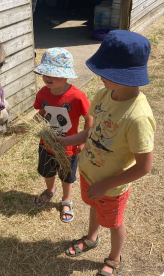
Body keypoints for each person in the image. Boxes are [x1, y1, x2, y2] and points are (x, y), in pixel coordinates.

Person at [60, 30, 156, 276]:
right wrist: (68, 140)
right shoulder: (104, 94)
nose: (99, 76)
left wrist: (107, 184)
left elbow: (144, 166)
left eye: (105, 73)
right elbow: (91, 131)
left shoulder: (138, 117)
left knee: (114, 223)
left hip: (111, 187)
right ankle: (92, 238)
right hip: (89, 173)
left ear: (125, 77)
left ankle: (114, 257)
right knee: (93, 206)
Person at [33, 47, 92, 223]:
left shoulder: (76, 97)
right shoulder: (43, 93)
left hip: (68, 148)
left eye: (53, 74)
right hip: (46, 144)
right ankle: (50, 191)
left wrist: (82, 140)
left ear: (66, 75)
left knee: (67, 175)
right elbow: (42, 113)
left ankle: (66, 200)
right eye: (45, 73)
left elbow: (89, 117)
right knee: (47, 171)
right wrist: (32, 124)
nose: (47, 78)